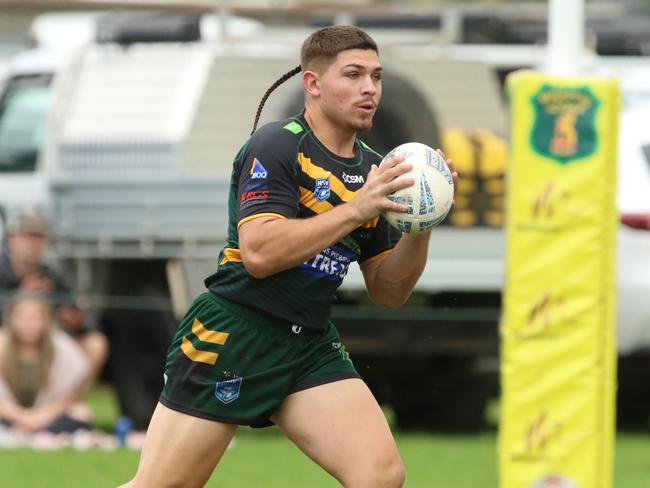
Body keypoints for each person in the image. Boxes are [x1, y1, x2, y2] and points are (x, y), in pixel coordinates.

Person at [122, 25, 458, 488]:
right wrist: (357, 207)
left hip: (307, 344)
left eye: (376, 77)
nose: (369, 88)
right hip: (234, 331)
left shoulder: (373, 170)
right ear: (313, 84)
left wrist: (420, 223)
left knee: (379, 476)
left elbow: (388, 291)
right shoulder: (278, 145)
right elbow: (259, 253)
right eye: (354, 74)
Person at [0, 209, 108, 385]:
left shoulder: (53, 275)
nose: (33, 244)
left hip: (47, 346)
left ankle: (65, 402)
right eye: (28, 236)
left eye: (39, 237)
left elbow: (84, 316)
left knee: (95, 343)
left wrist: (77, 321)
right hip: (10, 345)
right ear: (12, 238)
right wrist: (21, 296)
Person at [0, 292, 91, 434]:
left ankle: (32, 432)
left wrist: (40, 417)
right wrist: (22, 417)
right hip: (9, 414)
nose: (28, 324)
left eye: (34, 318)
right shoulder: (2, 343)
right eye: (22, 318)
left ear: (45, 320)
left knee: (81, 412)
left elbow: (70, 394)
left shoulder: (61, 346)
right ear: (11, 319)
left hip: (47, 414)